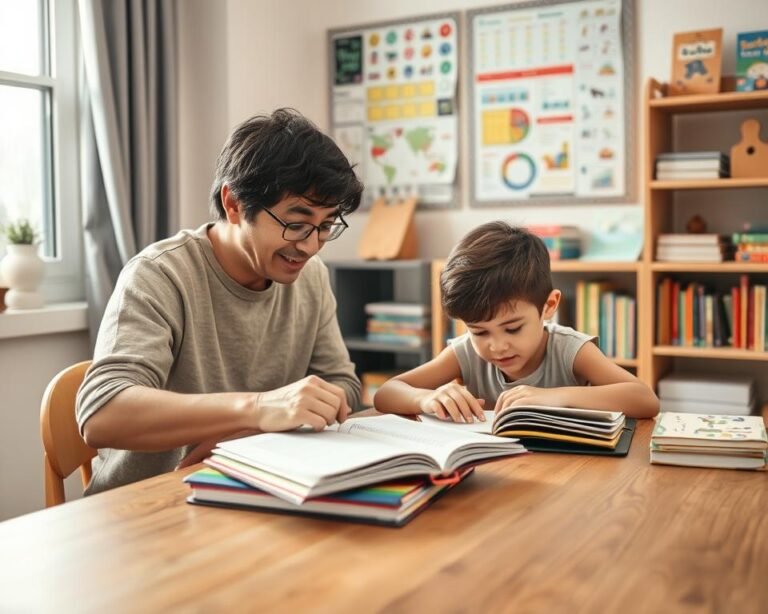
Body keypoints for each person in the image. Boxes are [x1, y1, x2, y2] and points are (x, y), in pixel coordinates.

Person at [76, 108, 364, 494]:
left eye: (326, 225)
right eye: (296, 223)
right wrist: (258, 409)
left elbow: (342, 383)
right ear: (234, 204)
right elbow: (102, 412)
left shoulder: (310, 277)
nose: (311, 246)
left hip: (254, 494)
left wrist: (248, 431)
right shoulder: (161, 274)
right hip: (148, 509)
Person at [374, 222, 659, 422]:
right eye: (479, 331)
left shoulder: (570, 350)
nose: (497, 346)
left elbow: (645, 399)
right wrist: (424, 399)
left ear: (548, 306)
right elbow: (386, 393)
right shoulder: (465, 353)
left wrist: (557, 398)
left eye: (513, 328)